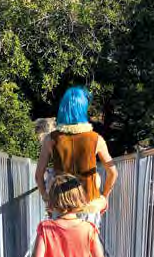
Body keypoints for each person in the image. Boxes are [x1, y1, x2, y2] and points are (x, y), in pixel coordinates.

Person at [35, 87, 118, 225]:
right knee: (88, 238)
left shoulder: (51, 139)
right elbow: (113, 173)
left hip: (61, 206)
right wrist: (104, 197)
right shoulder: (96, 139)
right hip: (88, 205)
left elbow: (38, 176)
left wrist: (47, 199)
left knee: (61, 239)